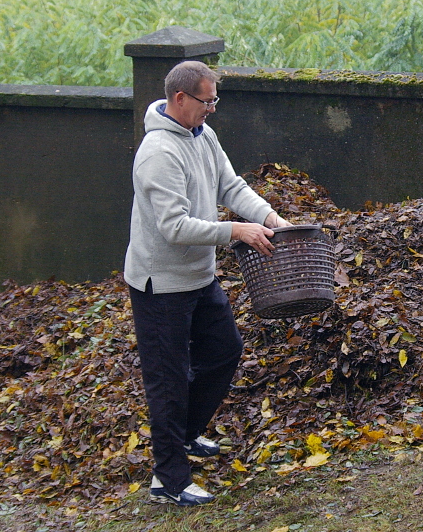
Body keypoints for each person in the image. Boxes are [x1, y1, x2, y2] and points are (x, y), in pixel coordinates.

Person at [123, 60, 290, 506]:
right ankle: (169, 480)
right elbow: (174, 226)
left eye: (216, 99)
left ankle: (185, 435)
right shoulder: (158, 152)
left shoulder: (203, 135)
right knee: (168, 380)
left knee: (225, 351)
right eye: (207, 100)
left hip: (199, 277)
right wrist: (236, 231)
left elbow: (231, 187)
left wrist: (273, 219)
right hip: (161, 285)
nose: (213, 108)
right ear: (180, 99)